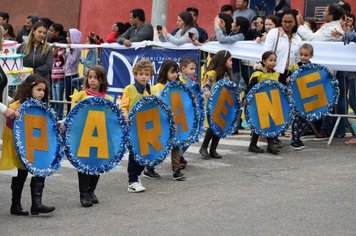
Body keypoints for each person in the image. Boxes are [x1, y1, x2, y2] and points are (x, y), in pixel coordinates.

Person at [0, 74, 55, 215]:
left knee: (40, 169)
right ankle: (15, 205)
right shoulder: (16, 106)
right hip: (22, 146)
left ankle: (36, 204)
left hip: (37, 145)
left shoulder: (43, 107)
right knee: (22, 173)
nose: (42, 93)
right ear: (29, 89)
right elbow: (10, 127)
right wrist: (15, 117)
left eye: (44, 90)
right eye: (38, 89)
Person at [70, 65, 112, 207]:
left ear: (102, 80)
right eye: (90, 77)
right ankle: (83, 193)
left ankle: (91, 190)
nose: (92, 80)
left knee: (97, 163)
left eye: (96, 78)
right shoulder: (81, 96)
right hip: (84, 136)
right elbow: (73, 116)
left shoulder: (107, 99)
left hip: (100, 136)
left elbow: (112, 118)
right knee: (83, 164)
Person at [120, 59, 155, 192]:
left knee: (143, 153)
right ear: (135, 74)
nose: (143, 76)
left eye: (146, 74)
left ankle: (138, 175)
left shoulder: (149, 91)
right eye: (140, 74)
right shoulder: (130, 89)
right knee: (134, 153)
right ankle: (132, 180)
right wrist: (125, 115)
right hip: (132, 127)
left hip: (145, 127)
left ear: (150, 76)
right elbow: (123, 106)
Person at [148, 60, 186, 180]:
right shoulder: (157, 88)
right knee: (159, 146)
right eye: (172, 72)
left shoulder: (179, 86)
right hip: (161, 122)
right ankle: (149, 168)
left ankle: (176, 170)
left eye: (176, 72)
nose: (175, 75)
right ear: (165, 72)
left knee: (175, 145)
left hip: (174, 122)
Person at [199, 50, 233, 159]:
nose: (232, 62)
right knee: (212, 126)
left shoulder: (227, 74)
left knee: (219, 126)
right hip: (212, 104)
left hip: (222, 103)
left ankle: (213, 149)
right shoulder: (212, 73)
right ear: (223, 61)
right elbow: (206, 85)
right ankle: (204, 147)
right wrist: (207, 91)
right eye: (230, 60)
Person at [245, 51, 280, 154]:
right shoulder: (257, 74)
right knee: (258, 124)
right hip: (259, 102)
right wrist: (247, 99)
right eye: (270, 60)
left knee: (270, 124)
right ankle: (253, 145)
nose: (273, 63)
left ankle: (270, 145)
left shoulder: (275, 74)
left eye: (274, 60)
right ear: (264, 61)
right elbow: (250, 88)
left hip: (271, 102)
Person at [264, 9, 302, 85]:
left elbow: (298, 59)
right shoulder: (274, 32)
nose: (287, 24)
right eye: (285, 21)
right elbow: (266, 53)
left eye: (290, 22)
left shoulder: (297, 38)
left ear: (295, 23)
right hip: (273, 73)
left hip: (289, 76)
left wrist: (294, 74)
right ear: (281, 21)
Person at [288, 44, 314, 150]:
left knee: (306, 119)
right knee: (296, 118)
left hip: (307, 96)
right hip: (296, 97)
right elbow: (287, 77)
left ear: (311, 56)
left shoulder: (313, 67)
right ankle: (294, 140)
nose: (303, 57)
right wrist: (288, 79)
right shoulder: (294, 66)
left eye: (306, 55)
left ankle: (297, 137)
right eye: (301, 55)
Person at [49, 23, 67, 120]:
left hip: (60, 75)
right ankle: (55, 115)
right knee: (54, 99)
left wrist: (54, 52)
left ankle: (59, 117)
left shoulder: (62, 44)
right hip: (53, 74)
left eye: (51, 31)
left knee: (59, 99)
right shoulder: (52, 42)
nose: (49, 33)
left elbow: (57, 56)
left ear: (57, 32)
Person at [64, 28, 82, 111]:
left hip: (72, 74)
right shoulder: (71, 47)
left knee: (70, 95)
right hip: (67, 74)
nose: (67, 38)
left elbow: (71, 61)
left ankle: (70, 112)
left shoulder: (77, 48)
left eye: (69, 36)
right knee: (68, 96)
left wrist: (67, 51)